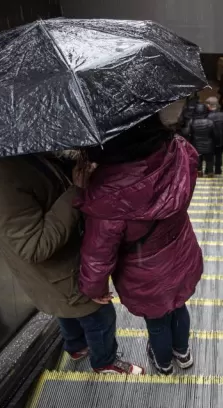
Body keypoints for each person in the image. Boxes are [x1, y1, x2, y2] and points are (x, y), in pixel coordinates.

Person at [0, 154, 144, 375]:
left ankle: (76, 346)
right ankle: (104, 362)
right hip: (59, 270)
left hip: (61, 268)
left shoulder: (9, 153)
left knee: (65, 308)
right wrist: (76, 191)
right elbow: (34, 245)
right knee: (100, 315)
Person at [76, 114, 204, 375]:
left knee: (157, 321)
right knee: (179, 306)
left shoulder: (105, 190)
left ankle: (164, 363)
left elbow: (98, 254)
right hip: (181, 249)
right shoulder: (179, 150)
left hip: (144, 269)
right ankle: (183, 353)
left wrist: (93, 287)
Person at [183, 103, 218, 176]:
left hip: (196, 145)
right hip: (209, 145)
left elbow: (187, 133)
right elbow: (215, 134)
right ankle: (210, 172)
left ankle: (199, 172)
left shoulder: (192, 122)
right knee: (209, 160)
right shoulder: (210, 122)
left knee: (198, 159)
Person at [205, 97, 223, 175]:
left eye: (207, 104)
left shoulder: (207, 116)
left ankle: (209, 170)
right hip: (221, 140)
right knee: (219, 155)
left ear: (210, 105)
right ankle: (218, 170)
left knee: (209, 155)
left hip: (209, 140)